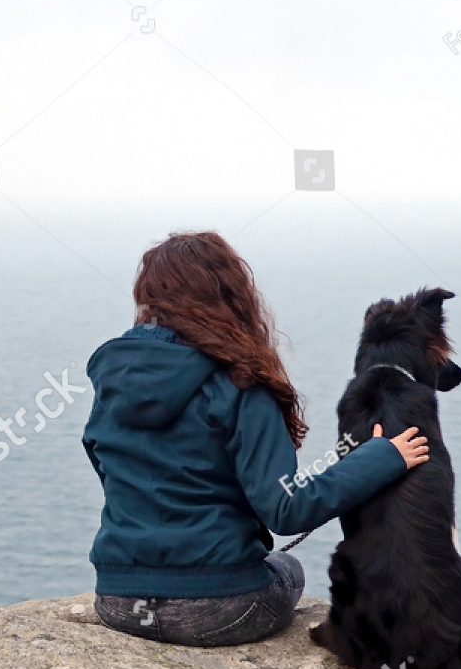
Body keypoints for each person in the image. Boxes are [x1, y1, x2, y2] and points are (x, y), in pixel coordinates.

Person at [81, 231, 428, 646]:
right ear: (232, 296)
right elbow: (286, 510)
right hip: (216, 608)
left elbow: (111, 472)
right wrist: (381, 457)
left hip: (119, 601)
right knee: (288, 569)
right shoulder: (241, 383)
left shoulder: (113, 381)